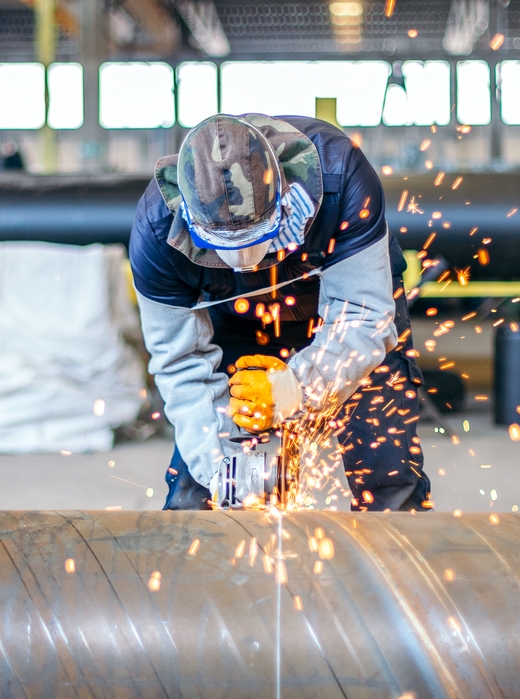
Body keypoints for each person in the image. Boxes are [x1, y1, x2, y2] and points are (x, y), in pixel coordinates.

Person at [129, 113, 433, 511]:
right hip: (236, 320)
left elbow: (363, 318)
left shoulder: (341, 176)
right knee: (196, 493)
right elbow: (180, 362)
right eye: (223, 243)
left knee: (386, 464)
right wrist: (220, 470)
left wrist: (294, 390)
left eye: (255, 239)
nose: (242, 260)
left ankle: (398, 565)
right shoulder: (157, 231)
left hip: (345, 314)